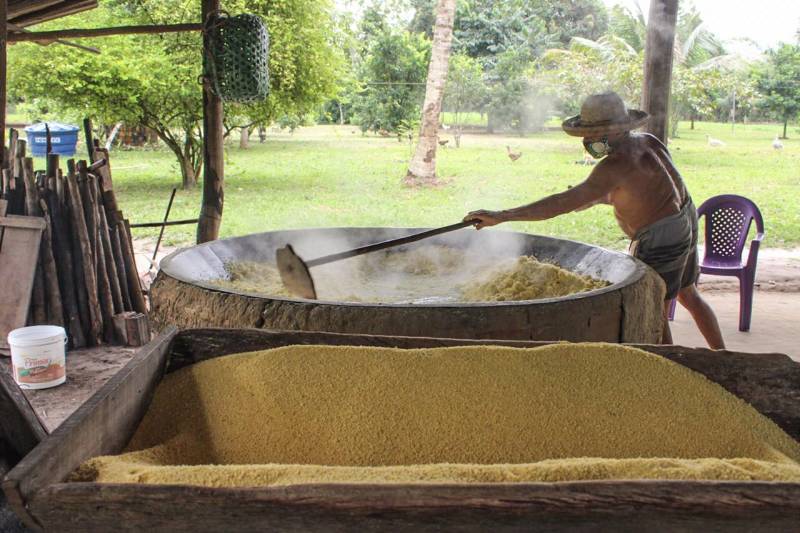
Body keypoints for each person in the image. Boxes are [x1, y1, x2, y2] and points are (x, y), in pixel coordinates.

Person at [465, 92, 724, 349]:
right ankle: (721, 353)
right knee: (689, 294)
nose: (587, 141)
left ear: (616, 130)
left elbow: (560, 203)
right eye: (585, 134)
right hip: (686, 217)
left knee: (654, 314)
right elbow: (643, 189)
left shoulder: (613, 167)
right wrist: (595, 197)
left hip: (661, 237)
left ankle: (670, 372)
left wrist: (502, 216)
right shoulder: (649, 142)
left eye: (593, 134)